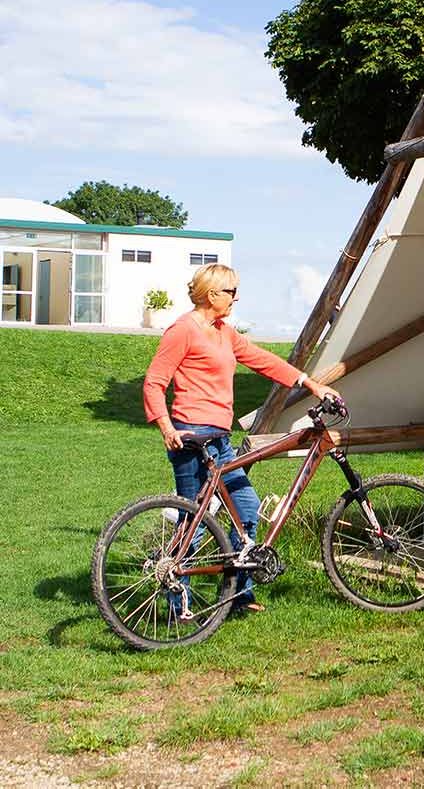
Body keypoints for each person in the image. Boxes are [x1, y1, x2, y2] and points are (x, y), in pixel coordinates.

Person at [143, 263, 339, 618]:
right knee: (195, 520)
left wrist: (309, 383)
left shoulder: (223, 332)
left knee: (246, 509)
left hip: (219, 437)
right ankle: (177, 600)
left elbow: (263, 361)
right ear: (211, 294)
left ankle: (237, 594)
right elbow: (154, 382)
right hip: (191, 436)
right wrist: (167, 428)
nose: (236, 297)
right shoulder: (183, 330)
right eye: (231, 291)